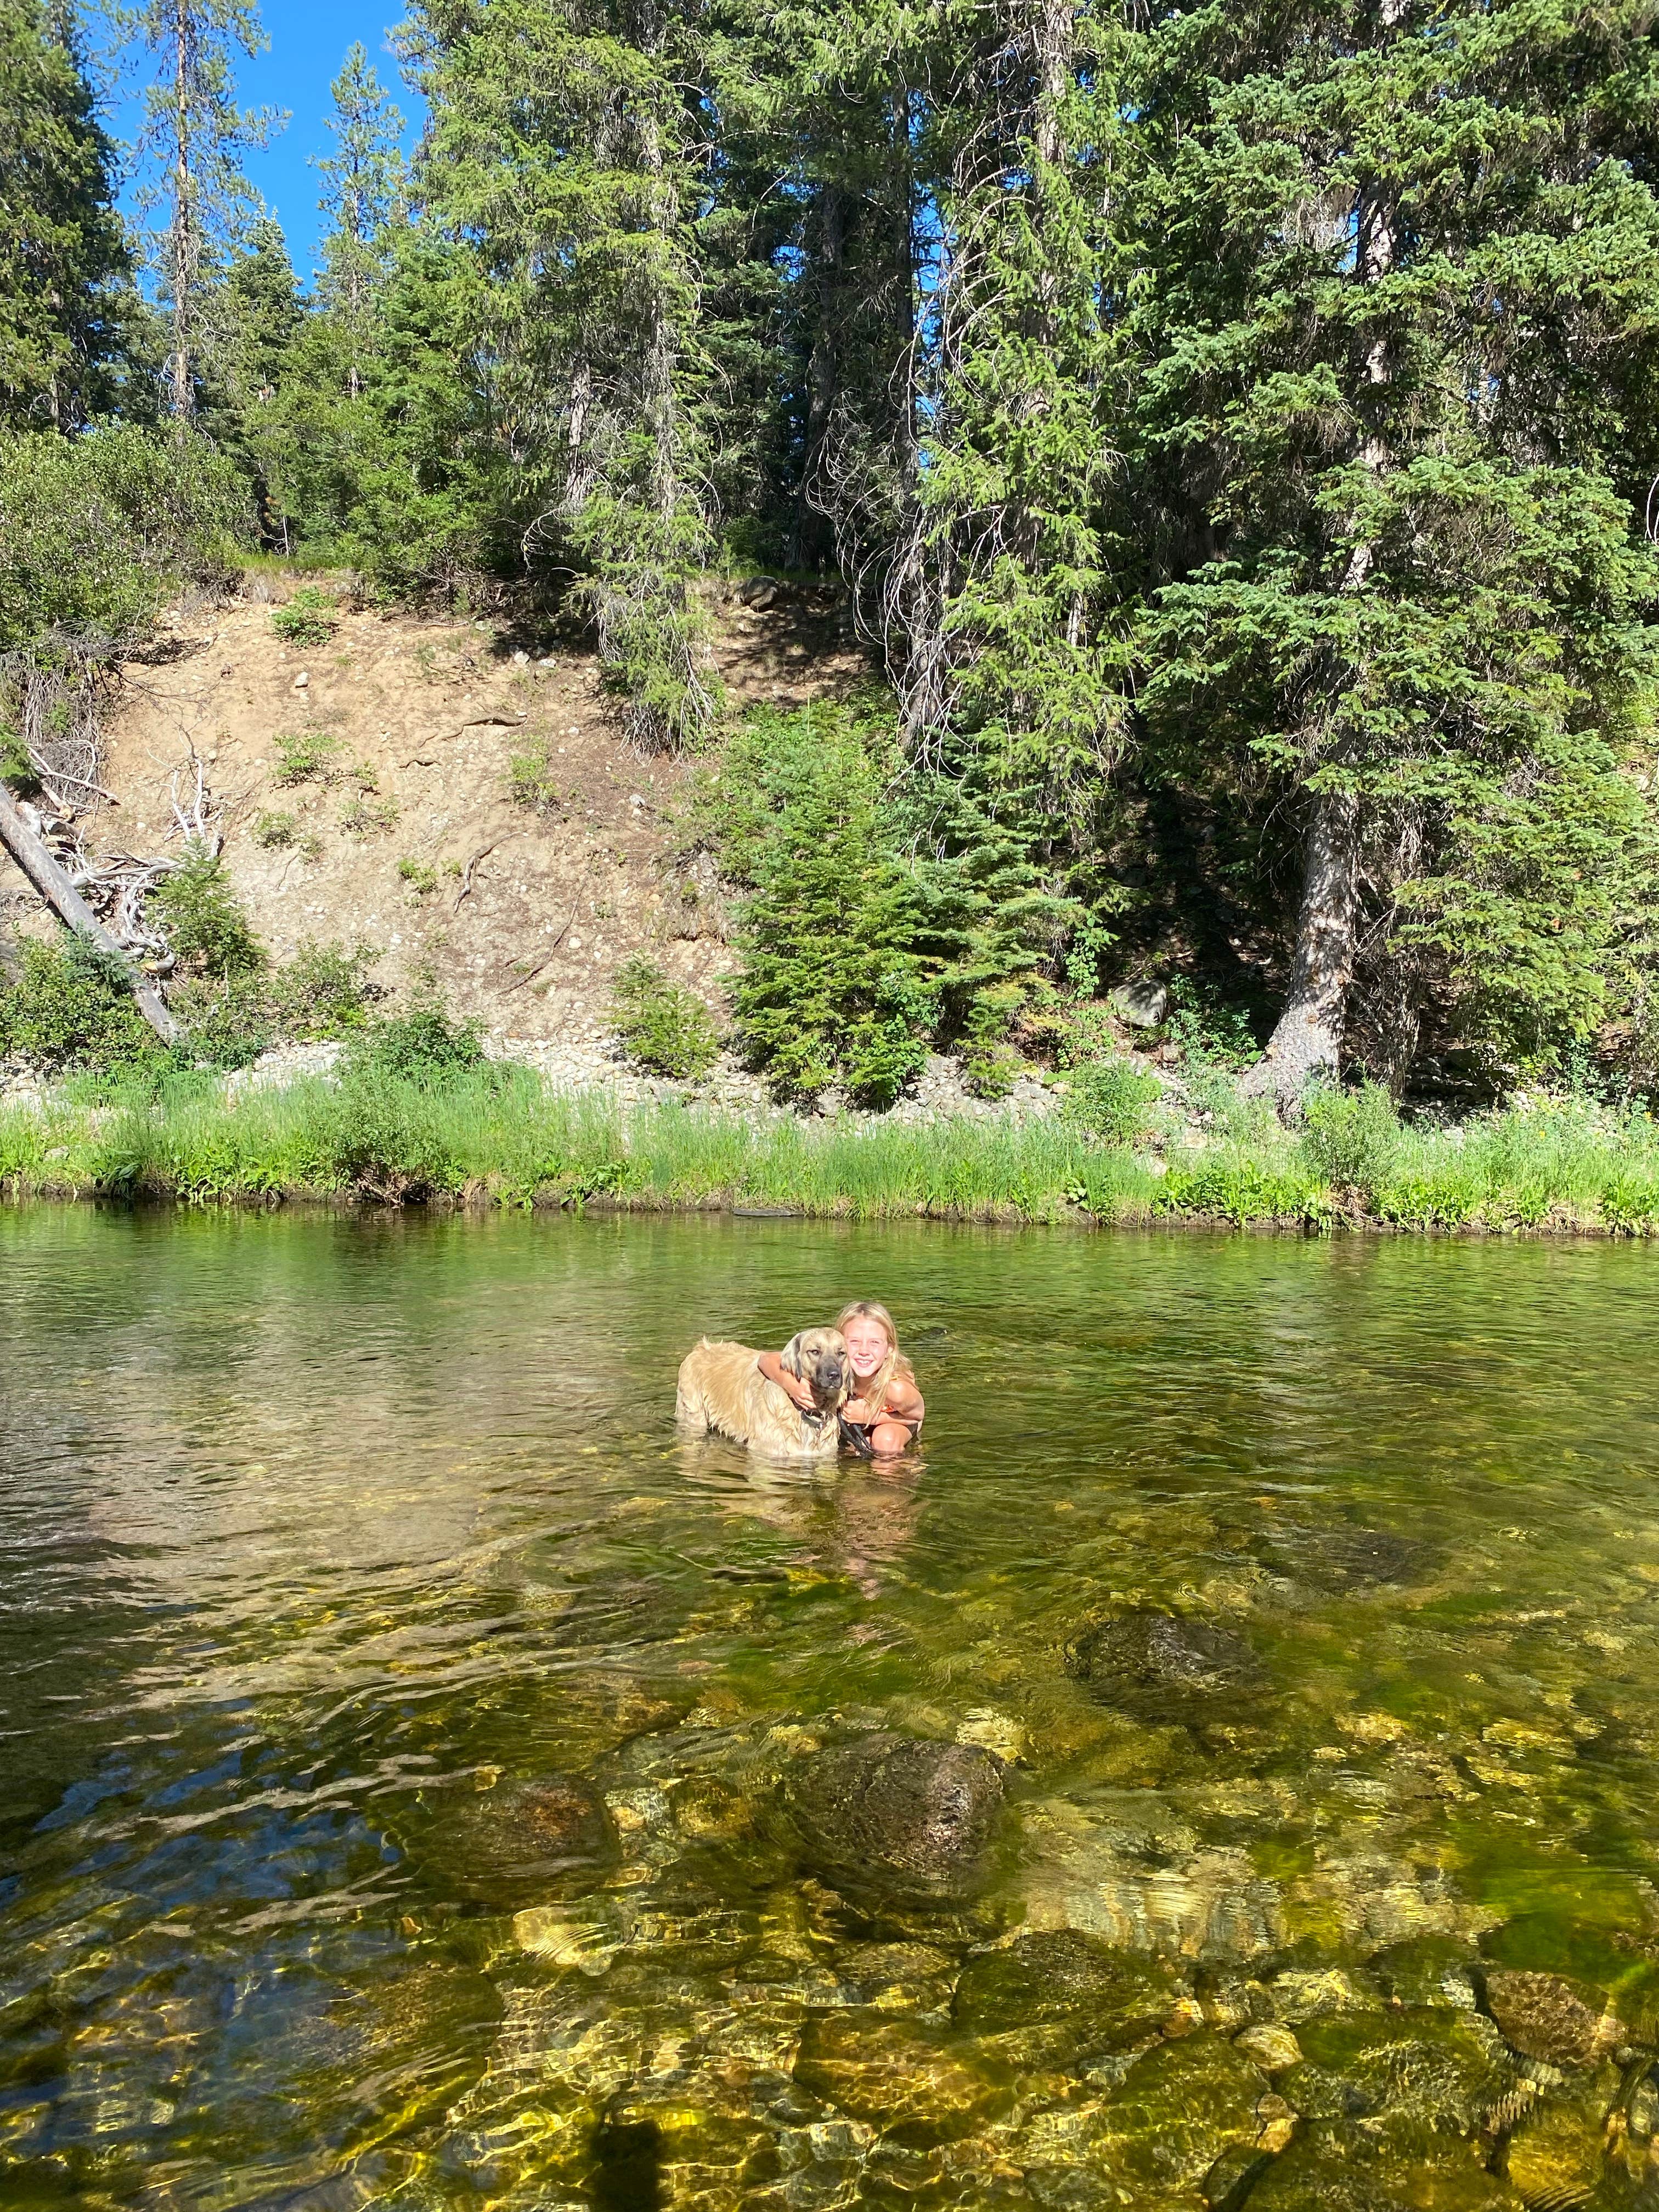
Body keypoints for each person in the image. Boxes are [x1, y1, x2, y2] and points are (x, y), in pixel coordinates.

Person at [757, 1299, 924, 1457]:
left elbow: (916, 1416)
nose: (864, 1351)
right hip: (857, 1421)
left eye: (874, 1342)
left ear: (889, 1350)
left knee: (884, 1440)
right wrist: (792, 1386)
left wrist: (868, 1416)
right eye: (855, 1342)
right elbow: (765, 1360)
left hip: (894, 1421)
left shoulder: (896, 1389)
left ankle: (893, 1479)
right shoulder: (839, 1363)